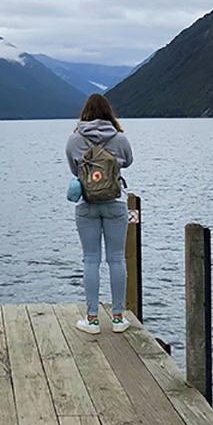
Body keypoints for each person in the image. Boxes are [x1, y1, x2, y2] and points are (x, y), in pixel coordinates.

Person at [65, 93, 133, 335]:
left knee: (90, 260)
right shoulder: (120, 138)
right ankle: (118, 318)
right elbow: (129, 161)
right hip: (115, 202)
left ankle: (92, 320)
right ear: (108, 114)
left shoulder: (74, 139)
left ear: (85, 113)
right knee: (116, 259)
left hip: (87, 204)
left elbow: (74, 169)